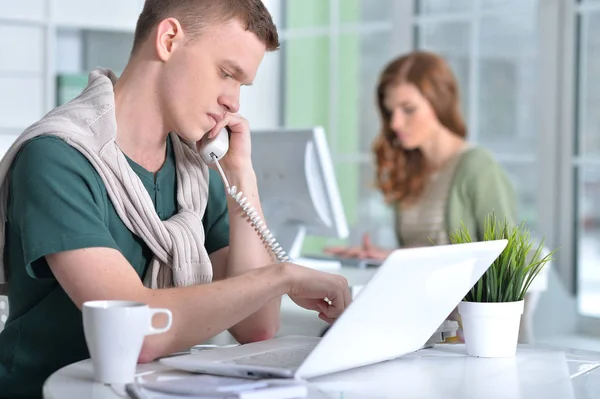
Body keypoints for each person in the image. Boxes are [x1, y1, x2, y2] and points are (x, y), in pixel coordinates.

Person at [0, 1, 350, 397]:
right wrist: (284, 276)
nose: (233, 102)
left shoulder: (195, 171)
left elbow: (257, 326)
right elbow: (137, 334)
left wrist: (242, 180)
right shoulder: (57, 157)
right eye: (225, 73)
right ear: (168, 40)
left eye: (242, 85)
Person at [325, 50, 519, 341]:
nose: (395, 124)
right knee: (333, 333)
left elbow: (507, 262)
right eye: (390, 112)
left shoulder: (478, 167)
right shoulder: (414, 171)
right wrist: (389, 257)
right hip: (420, 319)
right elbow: (426, 257)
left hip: (464, 330)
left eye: (408, 109)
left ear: (439, 103)